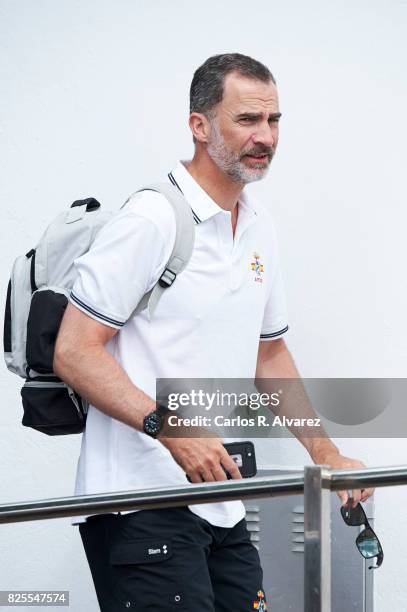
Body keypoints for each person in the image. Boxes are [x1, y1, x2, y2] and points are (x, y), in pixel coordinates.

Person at [54, 53, 374, 612]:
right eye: (248, 119)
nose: (266, 136)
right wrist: (171, 429)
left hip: (220, 501)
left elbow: (269, 356)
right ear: (199, 126)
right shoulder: (153, 219)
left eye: (274, 121)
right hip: (140, 503)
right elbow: (74, 351)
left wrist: (325, 451)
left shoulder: (257, 226)